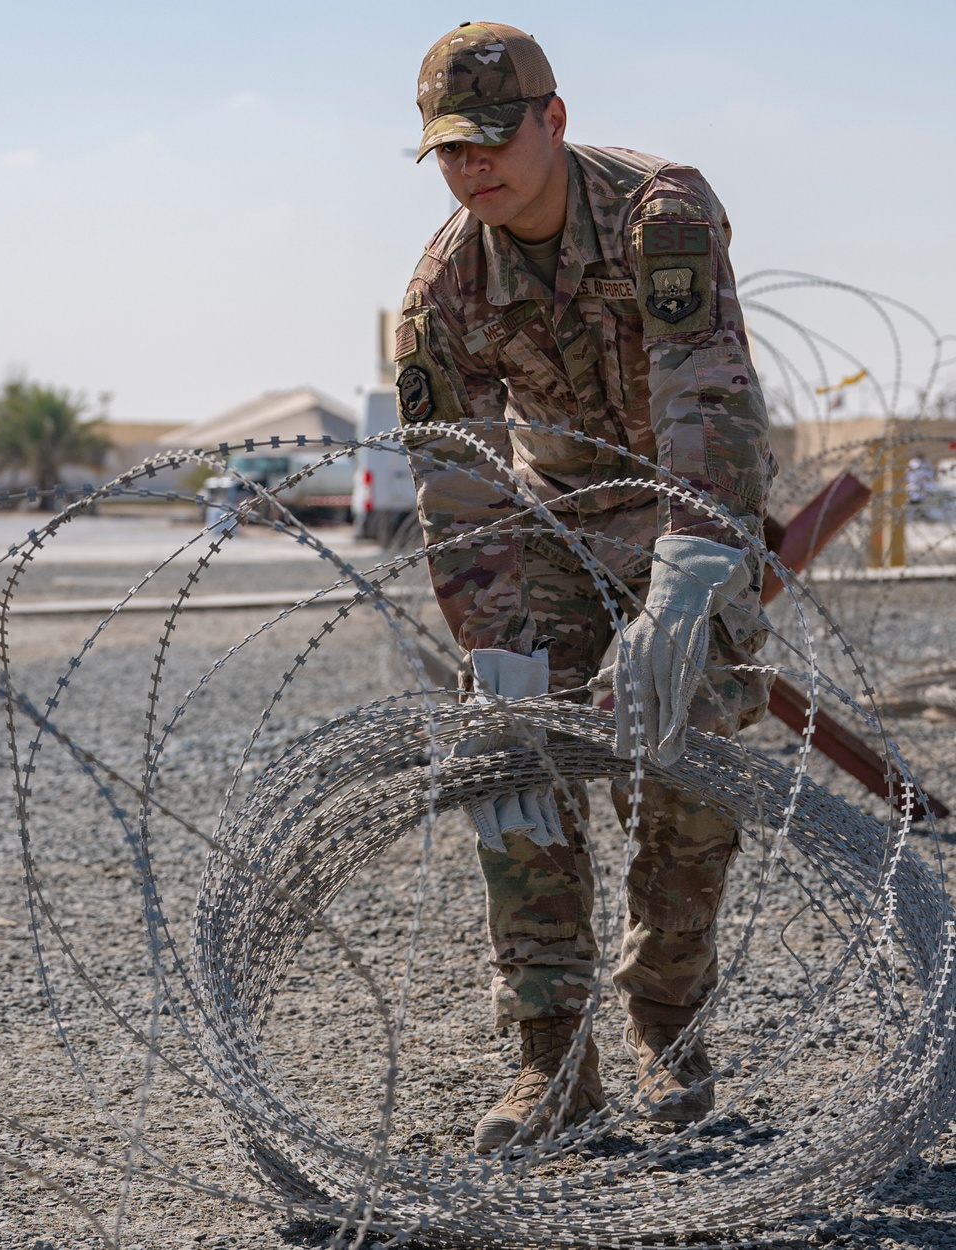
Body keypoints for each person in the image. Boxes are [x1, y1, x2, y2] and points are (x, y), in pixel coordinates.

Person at [395, 21, 775, 1152]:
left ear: (553, 121)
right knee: (513, 762)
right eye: (451, 151)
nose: (474, 170)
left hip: (678, 504)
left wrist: (690, 577)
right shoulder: (441, 289)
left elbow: (703, 394)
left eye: (493, 142)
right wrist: (499, 656)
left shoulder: (661, 212)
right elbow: (457, 492)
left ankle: (668, 1023)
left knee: (691, 748)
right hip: (551, 524)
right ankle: (551, 1059)